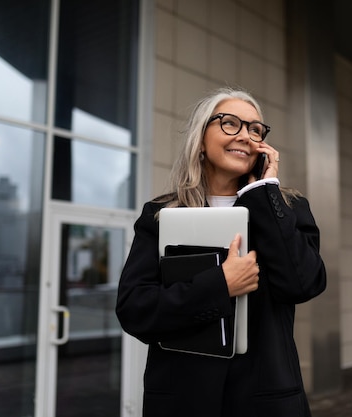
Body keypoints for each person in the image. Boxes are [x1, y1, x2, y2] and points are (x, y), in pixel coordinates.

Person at [116, 87, 327, 417]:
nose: (245, 135)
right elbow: (135, 310)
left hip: (265, 402)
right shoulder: (160, 214)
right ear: (201, 139)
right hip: (183, 400)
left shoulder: (286, 207)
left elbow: (304, 283)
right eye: (230, 123)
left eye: (255, 128)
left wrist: (262, 193)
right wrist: (220, 285)